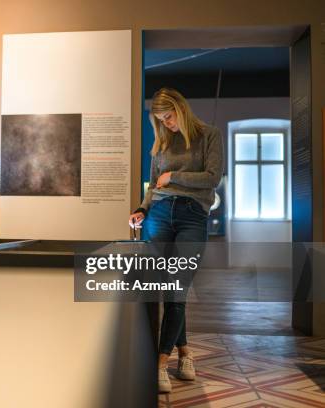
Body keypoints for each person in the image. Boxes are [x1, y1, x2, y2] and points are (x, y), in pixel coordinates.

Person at [128, 88, 223, 393]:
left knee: (177, 285)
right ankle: (184, 353)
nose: (166, 123)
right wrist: (142, 209)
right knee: (165, 286)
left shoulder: (210, 135)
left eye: (168, 116)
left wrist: (175, 177)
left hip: (192, 216)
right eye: (160, 119)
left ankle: (159, 365)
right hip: (158, 215)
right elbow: (153, 187)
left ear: (181, 109)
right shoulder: (161, 143)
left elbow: (213, 177)